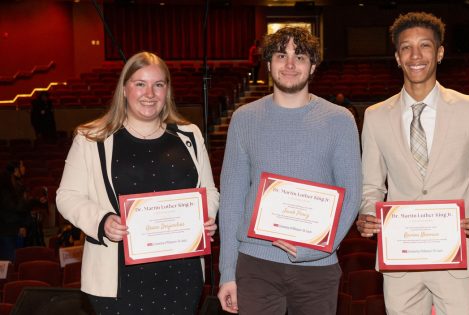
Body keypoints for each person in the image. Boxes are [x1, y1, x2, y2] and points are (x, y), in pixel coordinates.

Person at [355, 12, 469, 315]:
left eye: (425, 46)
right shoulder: (374, 116)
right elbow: (372, 186)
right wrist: (367, 214)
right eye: (406, 48)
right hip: (400, 257)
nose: (415, 55)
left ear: (439, 53)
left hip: (458, 254)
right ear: (397, 57)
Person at [56, 51, 219, 314]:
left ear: (167, 90)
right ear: (124, 89)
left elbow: (208, 190)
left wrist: (205, 217)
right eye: (140, 84)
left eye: (158, 85)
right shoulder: (91, 138)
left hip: (182, 274)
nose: (150, 93)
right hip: (118, 278)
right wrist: (103, 221)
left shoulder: (189, 135)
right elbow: (67, 196)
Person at [217, 27, 362, 314]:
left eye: (301, 56)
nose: (291, 64)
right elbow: (232, 201)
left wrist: (319, 247)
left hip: (317, 267)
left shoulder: (340, 120)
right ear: (269, 63)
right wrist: (227, 273)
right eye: (282, 55)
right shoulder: (244, 119)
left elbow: (352, 195)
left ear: (314, 66)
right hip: (255, 264)